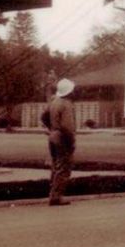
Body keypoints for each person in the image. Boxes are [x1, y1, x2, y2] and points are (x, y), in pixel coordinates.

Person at [46, 78, 76, 206]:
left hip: (53, 135)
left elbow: (44, 116)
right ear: (69, 92)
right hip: (62, 137)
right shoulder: (66, 104)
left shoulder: (54, 102)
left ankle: (52, 193)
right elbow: (67, 126)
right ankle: (57, 196)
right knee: (63, 167)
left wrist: (51, 128)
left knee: (56, 166)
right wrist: (71, 140)